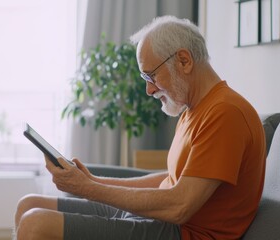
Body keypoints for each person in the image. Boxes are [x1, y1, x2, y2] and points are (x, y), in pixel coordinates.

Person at [14, 15, 266, 240]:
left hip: (183, 232)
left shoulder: (225, 113)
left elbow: (180, 205)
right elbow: (171, 181)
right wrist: (94, 181)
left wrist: (88, 189)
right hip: (158, 220)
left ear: (184, 60)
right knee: (29, 204)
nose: (149, 89)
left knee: (36, 224)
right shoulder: (194, 108)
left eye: (151, 76)